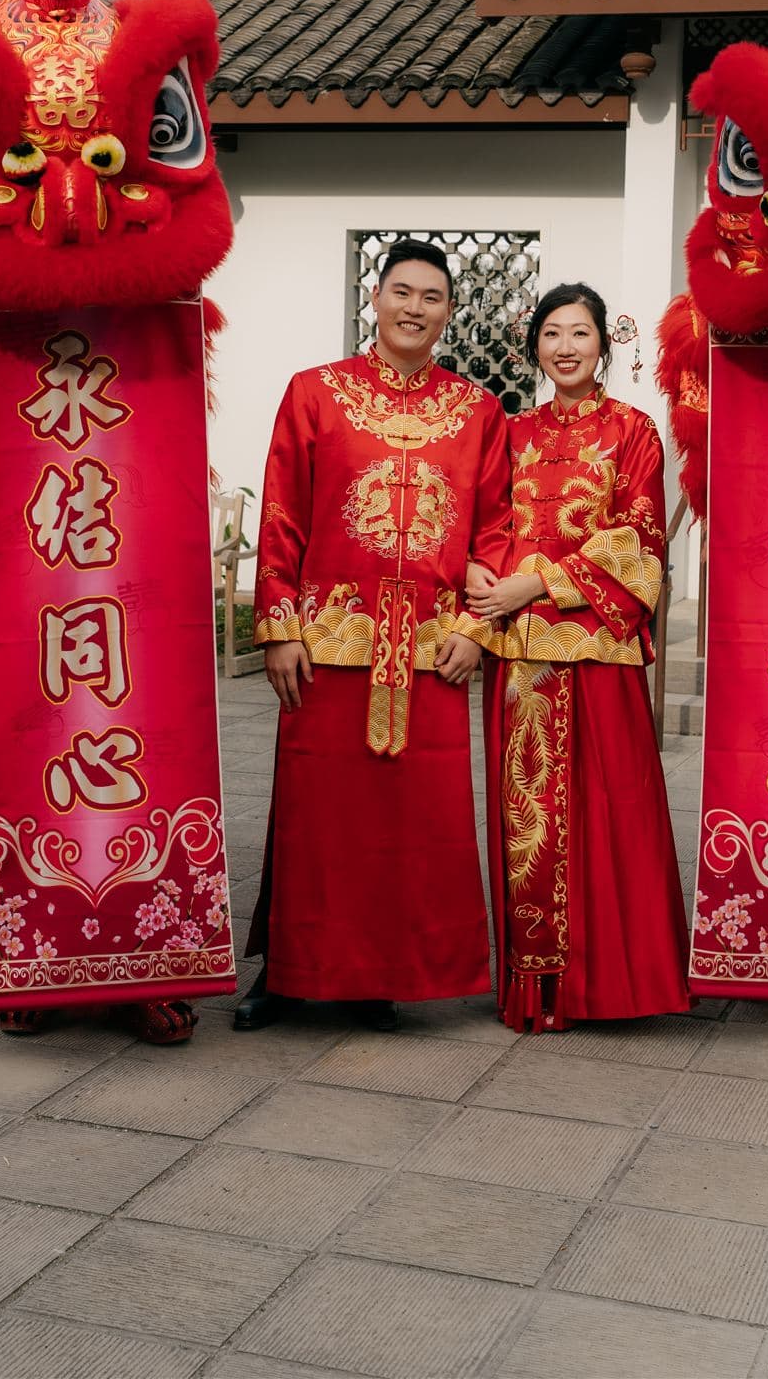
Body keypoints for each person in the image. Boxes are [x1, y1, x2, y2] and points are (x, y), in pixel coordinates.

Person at [236, 239, 511, 1032]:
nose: (414, 308)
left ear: (449, 313)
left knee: (410, 829)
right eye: (401, 291)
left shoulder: (476, 410)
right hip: (330, 644)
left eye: (431, 296)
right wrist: (279, 627)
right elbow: (282, 512)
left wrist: (471, 628)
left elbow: (495, 528)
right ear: (376, 298)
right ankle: (291, 976)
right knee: (318, 820)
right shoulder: (315, 394)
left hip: (428, 650)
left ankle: (385, 976)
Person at [468, 282, 691, 1031]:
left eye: (581, 334)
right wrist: (479, 576)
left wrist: (538, 580)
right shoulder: (505, 431)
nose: (566, 347)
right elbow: (480, 522)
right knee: (529, 819)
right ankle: (539, 987)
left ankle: (618, 986)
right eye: (552, 334)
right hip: (519, 651)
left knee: (609, 813)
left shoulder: (633, 431)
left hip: (596, 650)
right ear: (533, 345)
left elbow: (639, 542)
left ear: (604, 345)